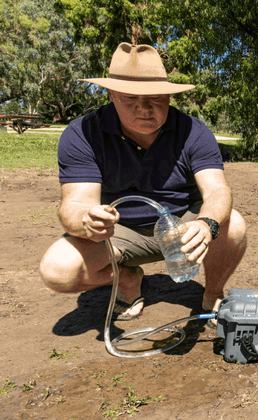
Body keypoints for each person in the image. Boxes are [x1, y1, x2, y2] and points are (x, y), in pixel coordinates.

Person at [39, 42, 247, 322]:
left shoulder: (193, 132)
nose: (144, 109)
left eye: (155, 98)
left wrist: (205, 223)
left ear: (169, 97)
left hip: (181, 226)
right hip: (119, 232)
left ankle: (213, 294)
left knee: (233, 225)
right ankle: (127, 280)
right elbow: (74, 205)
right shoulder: (83, 134)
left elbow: (218, 190)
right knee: (57, 270)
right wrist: (85, 219)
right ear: (111, 95)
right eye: (130, 99)